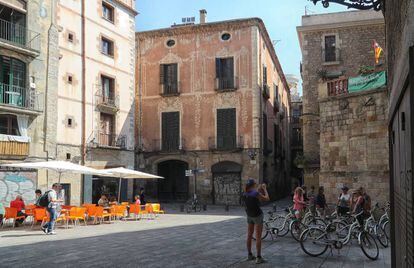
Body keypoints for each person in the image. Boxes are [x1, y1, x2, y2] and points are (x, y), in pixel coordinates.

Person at [243, 179, 269, 264]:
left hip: (249, 216)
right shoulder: (256, 194)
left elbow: (253, 195)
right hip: (257, 216)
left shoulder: (245, 193)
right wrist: (265, 189)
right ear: (253, 185)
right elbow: (267, 198)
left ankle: (249, 255)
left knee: (249, 236)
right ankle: (258, 257)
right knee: (258, 237)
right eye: (255, 184)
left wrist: (257, 190)